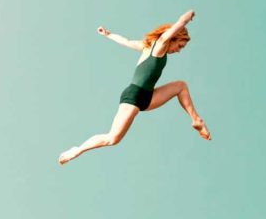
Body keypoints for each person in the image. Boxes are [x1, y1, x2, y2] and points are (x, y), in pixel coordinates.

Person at [58, 9, 210, 165]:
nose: (178, 51)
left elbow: (127, 42)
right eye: (180, 46)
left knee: (181, 86)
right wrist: (189, 16)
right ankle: (77, 150)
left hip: (148, 96)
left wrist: (109, 34)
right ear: (173, 38)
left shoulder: (146, 46)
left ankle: (196, 120)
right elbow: (180, 23)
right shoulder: (160, 45)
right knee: (112, 138)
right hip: (134, 95)